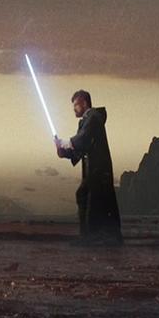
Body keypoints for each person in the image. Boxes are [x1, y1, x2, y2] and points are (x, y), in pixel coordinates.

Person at [54, 89, 123, 246]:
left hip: (98, 168)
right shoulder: (88, 120)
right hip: (95, 169)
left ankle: (90, 237)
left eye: (76, 105)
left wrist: (64, 143)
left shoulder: (93, 117)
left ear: (84, 103)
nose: (74, 109)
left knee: (91, 199)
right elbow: (81, 147)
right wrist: (64, 152)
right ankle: (95, 236)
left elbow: (83, 138)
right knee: (91, 198)